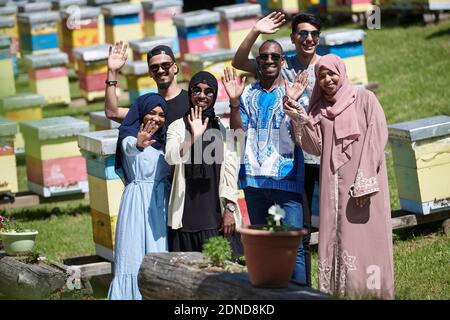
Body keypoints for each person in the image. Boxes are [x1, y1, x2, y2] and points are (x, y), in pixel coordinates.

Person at [283, 54, 394, 299]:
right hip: (332, 186)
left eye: (331, 73)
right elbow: (315, 147)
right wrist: (300, 118)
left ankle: (372, 291)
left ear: (341, 72)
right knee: (337, 237)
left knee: (365, 237)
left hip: (363, 186)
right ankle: (342, 292)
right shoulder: (320, 108)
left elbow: (376, 138)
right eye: (321, 75)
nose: (327, 79)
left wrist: (364, 183)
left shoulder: (365, 99)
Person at [232, 12, 324, 286]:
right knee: (264, 244)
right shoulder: (250, 91)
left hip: (297, 172)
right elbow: (239, 132)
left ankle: (300, 294)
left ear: (281, 61)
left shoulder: (312, 76)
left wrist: (294, 104)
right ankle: (271, 294)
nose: (269, 61)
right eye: (264, 58)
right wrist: (256, 30)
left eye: (274, 57)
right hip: (256, 181)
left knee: (295, 242)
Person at [165, 71, 243, 255]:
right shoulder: (177, 126)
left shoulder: (221, 128)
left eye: (209, 92)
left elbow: (231, 171)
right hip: (184, 219)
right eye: (197, 90)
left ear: (215, 96)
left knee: (221, 276)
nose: (202, 96)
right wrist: (193, 137)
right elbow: (170, 156)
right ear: (190, 93)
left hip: (215, 218)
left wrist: (230, 209)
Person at [108, 94, 171, 300]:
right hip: (137, 203)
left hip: (160, 203)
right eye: (152, 112)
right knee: (133, 254)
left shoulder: (166, 140)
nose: (157, 118)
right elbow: (128, 148)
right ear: (141, 113)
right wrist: (138, 143)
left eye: (161, 114)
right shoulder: (129, 135)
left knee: (158, 251)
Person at [105, 41, 189, 126]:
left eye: (165, 65)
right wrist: (112, 71)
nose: (160, 70)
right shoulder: (146, 105)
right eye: (154, 67)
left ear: (174, 68)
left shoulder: (191, 100)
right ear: (150, 73)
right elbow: (112, 113)